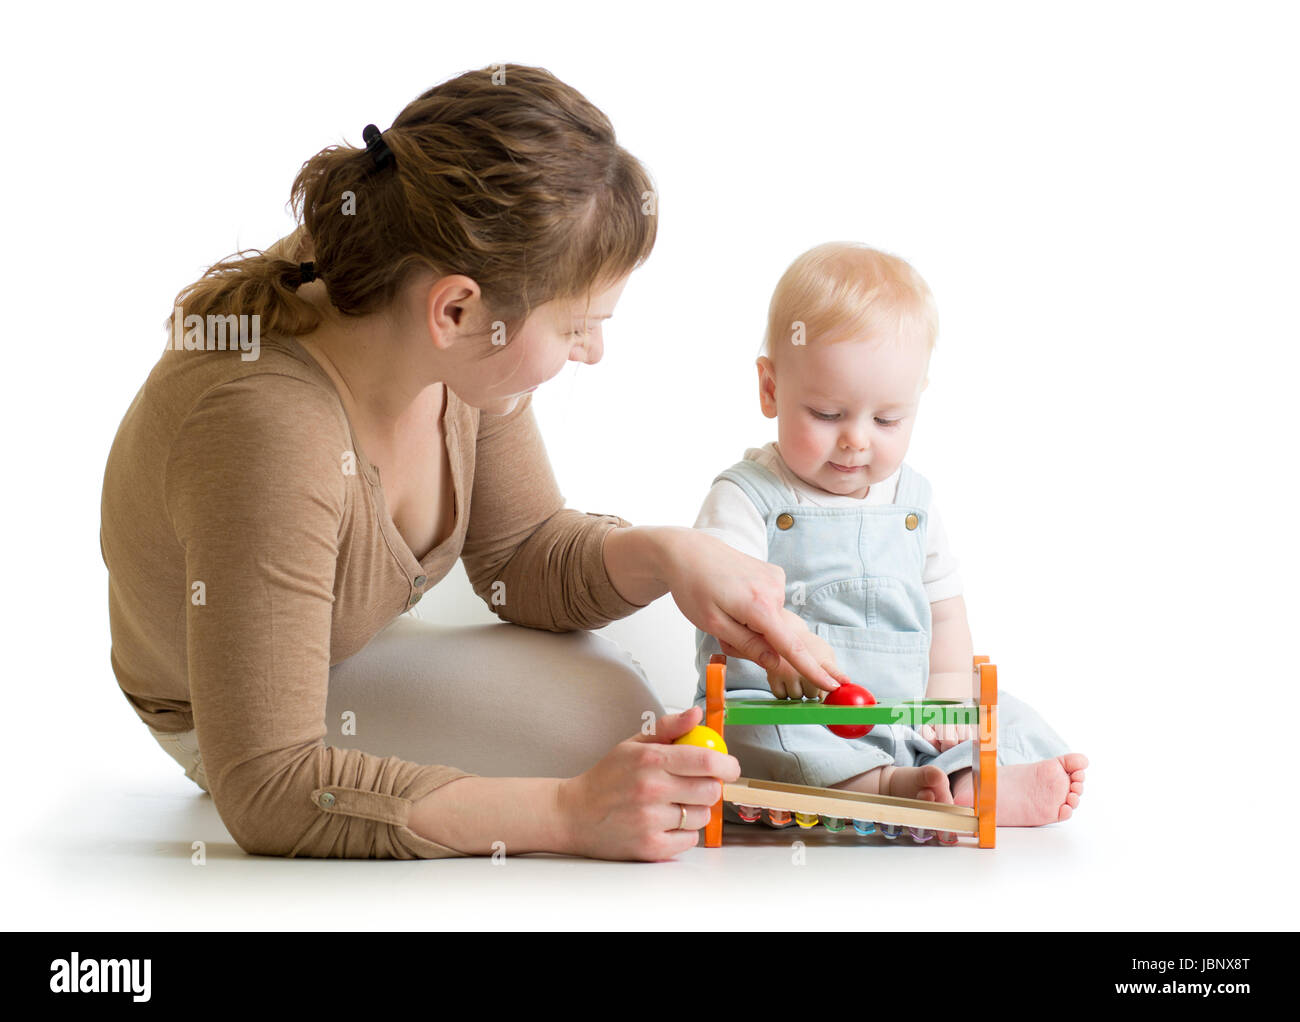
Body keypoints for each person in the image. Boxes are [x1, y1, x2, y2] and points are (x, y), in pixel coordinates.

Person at [100, 64, 849, 863]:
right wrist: (567, 813)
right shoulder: (269, 432)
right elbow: (272, 785)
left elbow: (518, 557)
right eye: (577, 329)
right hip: (235, 717)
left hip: (359, 626)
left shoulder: (415, 296)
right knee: (614, 721)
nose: (594, 353)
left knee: (677, 647)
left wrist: (672, 554)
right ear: (456, 310)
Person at [692, 242, 1088, 827]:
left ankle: (968, 777)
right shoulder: (747, 498)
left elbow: (945, 611)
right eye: (827, 414)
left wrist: (948, 697)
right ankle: (889, 785)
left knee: (1003, 712)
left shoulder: (914, 504)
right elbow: (718, 597)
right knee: (758, 741)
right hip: (791, 710)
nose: (857, 439)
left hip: (905, 712)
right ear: (771, 388)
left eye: (886, 420)